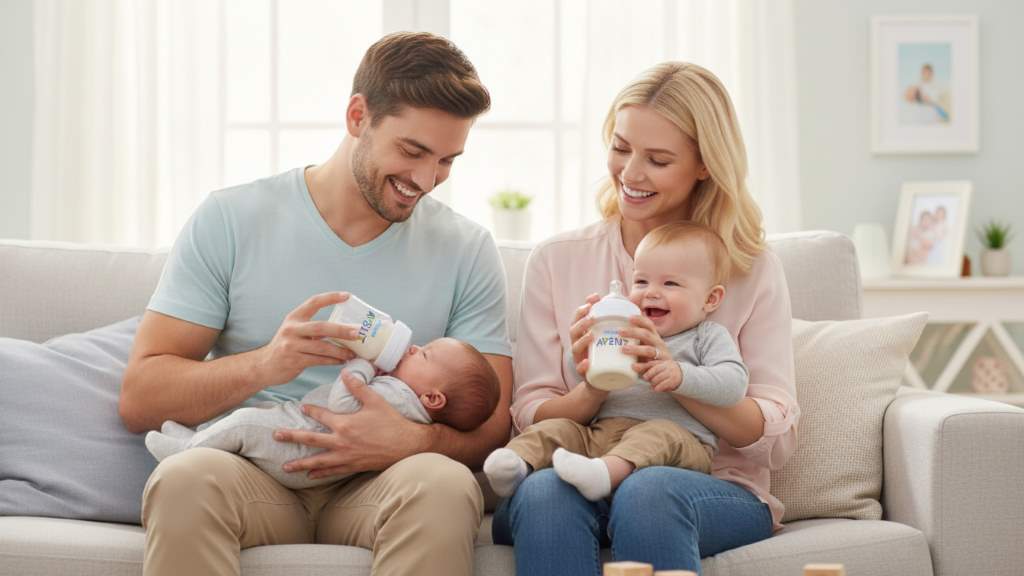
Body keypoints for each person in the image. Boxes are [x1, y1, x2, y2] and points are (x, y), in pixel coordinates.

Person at [118, 32, 513, 576]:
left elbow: (493, 426)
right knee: (183, 479)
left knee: (444, 485)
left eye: (447, 161)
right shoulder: (231, 219)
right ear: (358, 117)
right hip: (255, 471)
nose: (426, 180)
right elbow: (140, 398)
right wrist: (265, 365)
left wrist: (413, 439)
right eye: (412, 151)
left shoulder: (466, 249)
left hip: (382, 483)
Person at [491, 62, 799, 575]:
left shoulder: (749, 267)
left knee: (649, 491)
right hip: (584, 463)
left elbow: (775, 438)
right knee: (545, 491)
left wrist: (672, 374)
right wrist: (592, 386)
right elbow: (529, 412)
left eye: (657, 160)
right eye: (621, 148)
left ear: (705, 165)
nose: (630, 173)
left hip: (708, 484)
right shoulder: (558, 260)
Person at [483, 222, 747, 501]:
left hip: (680, 443)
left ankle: (605, 474)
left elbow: (734, 384)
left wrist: (681, 375)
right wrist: (583, 359)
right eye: (641, 281)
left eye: (670, 283)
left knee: (659, 433)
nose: (651, 292)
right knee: (558, 430)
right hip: (602, 436)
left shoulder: (706, 336)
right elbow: (583, 375)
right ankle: (516, 465)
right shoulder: (624, 329)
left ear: (711, 298)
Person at [146, 336, 500, 489]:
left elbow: (343, 404)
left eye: (424, 354)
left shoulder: (398, 398)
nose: (413, 347)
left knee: (244, 423)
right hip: (307, 445)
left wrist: (363, 366)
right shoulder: (408, 405)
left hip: (302, 447)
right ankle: (198, 437)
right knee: (258, 415)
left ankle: (186, 448)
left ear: (433, 398)